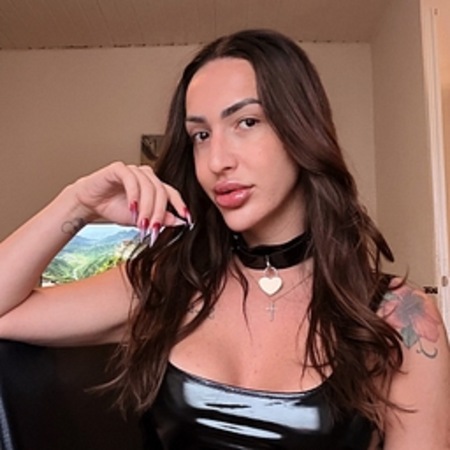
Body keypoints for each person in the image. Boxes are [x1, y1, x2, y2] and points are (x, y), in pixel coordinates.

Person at [0, 29, 448, 450]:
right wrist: (77, 204)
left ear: (301, 128)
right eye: (201, 135)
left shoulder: (399, 317)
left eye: (247, 122)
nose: (216, 160)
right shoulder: (164, 286)